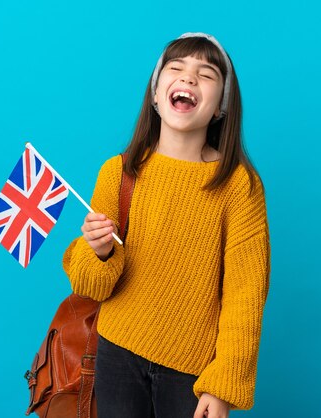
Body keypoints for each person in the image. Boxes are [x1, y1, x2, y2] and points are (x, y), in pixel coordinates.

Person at [62, 32, 271, 418]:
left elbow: (246, 294)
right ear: (156, 95)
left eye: (206, 74)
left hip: (192, 370)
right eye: (176, 69)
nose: (189, 78)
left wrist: (223, 384)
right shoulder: (118, 173)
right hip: (116, 354)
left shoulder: (239, 186)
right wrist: (99, 251)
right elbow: (90, 285)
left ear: (221, 107)